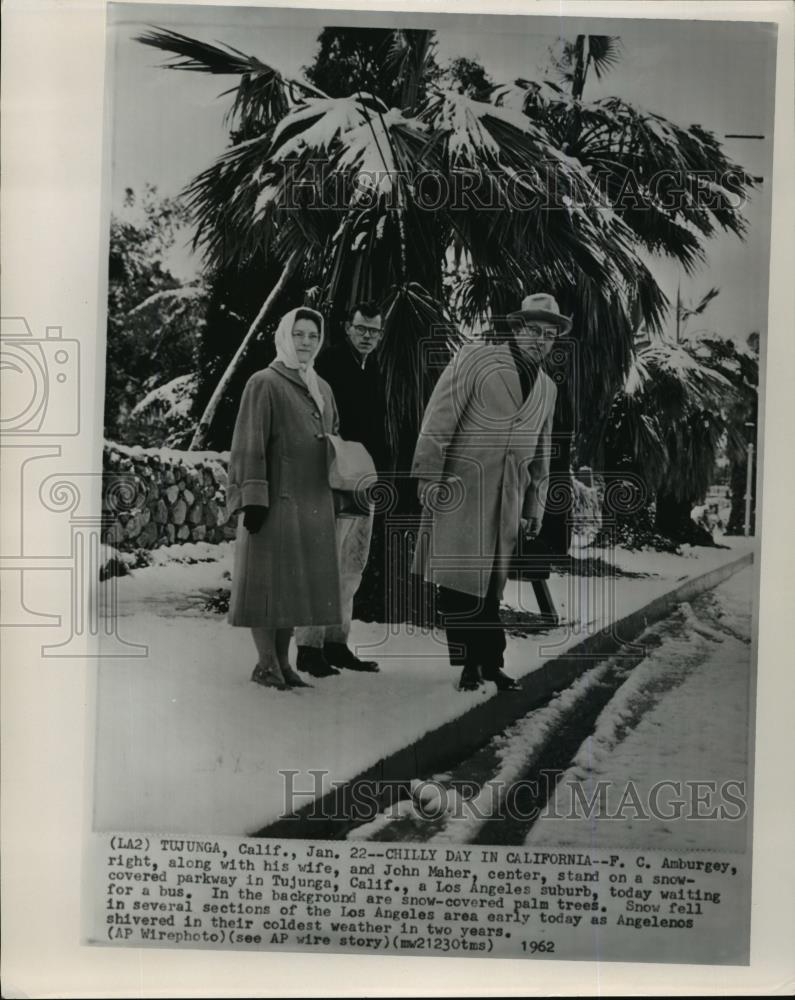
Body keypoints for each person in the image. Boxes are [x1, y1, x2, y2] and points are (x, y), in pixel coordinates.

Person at [412, 292, 569, 692]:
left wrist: (535, 505)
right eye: (533, 330)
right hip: (462, 490)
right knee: (462, 583)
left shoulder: (548, 388)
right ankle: (472, 664)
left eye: (549, 334)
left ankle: (488, 663)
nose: (541, 340)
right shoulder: (475, 359)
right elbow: (438, 417)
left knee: (492, 584)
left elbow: (541, 453)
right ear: (516, 329)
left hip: (508, 499)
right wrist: (428, 476)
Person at [226, 306, 342, 689]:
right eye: (299, 335)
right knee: (265, 583)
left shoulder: (321, 386)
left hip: (311, 501)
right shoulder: (264, 382)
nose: (306, 342)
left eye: (312, 335)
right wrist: (253, 497)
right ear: (284, 337)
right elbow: (248, 442)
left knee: (292, 585)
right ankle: (265, 663)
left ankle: (283, 662)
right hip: (274, 500)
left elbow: (335, 435)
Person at [294, 302, 387, 677]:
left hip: (363, 477)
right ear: (347, 328)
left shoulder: (373, 368)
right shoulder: (328, 364)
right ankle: (308, 647)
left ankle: (336, 643)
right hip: (332, 474)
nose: (367, 336)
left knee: (352, 564)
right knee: (325, 561)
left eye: (374, 331)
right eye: (361, 328)